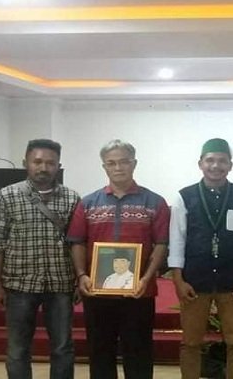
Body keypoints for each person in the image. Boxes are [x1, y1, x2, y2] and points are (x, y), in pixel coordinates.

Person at [67, 139, 170, 379]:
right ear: (104, 167)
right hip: (97, 291)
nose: (118, 167)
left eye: (124, 161)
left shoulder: (154, 202)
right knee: (100, 351)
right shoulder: (88, 203)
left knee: (139, 351)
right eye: (111, 163)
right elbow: (77, 241)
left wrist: (147, 277)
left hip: (139, 292)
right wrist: (82, 275)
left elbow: (162, 244)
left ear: (134, 163)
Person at [168, 138, 233, 379]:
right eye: (210, 160)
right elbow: (177, 240)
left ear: (230, 165)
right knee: (190, 342)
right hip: (194, 281)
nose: (215, 166)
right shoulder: (184, 196)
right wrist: (178, 280)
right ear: (200, 163)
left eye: (222, 161)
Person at [0, 138, 80, 379]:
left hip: (60, 284)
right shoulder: (7, 196)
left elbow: (79, 243)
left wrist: (80, 279)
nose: (43, 167)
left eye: (50, 163)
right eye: (37, 161)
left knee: (62, 347)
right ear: (25, 163)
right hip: (19, 284)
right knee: (18, 350)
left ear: (58, 166)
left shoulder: (72, 198)